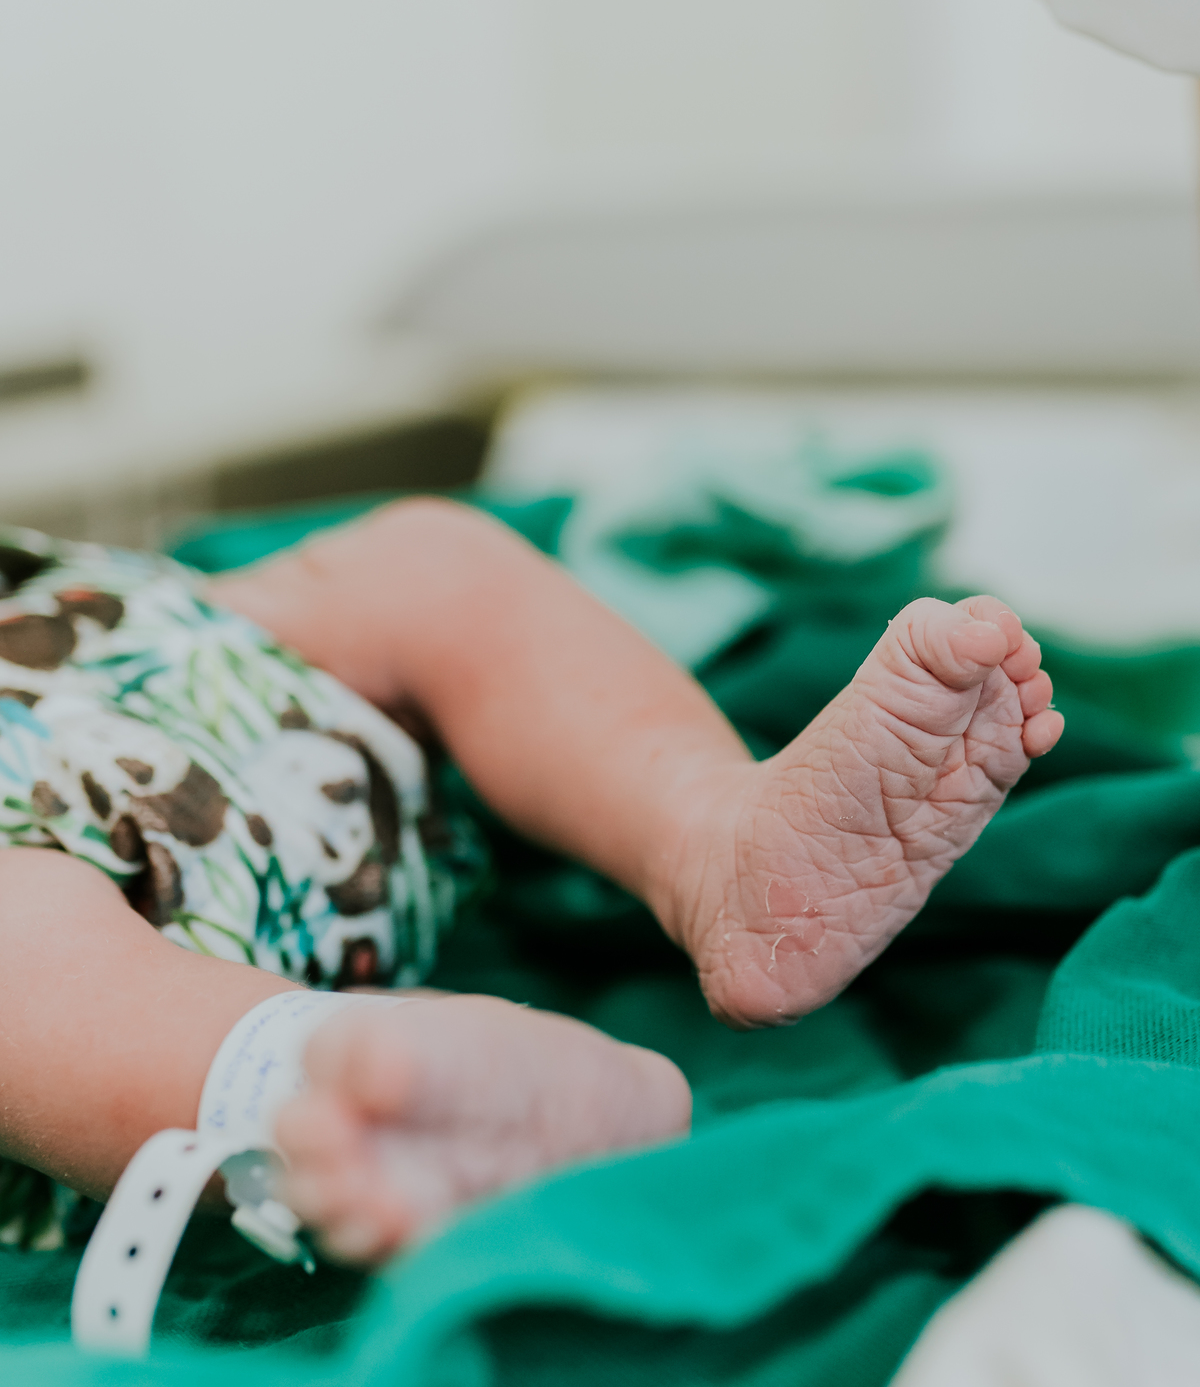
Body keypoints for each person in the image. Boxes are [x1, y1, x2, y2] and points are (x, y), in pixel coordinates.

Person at [0, 499, 1061, 1265]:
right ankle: (353, 1088)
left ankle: (717, 841)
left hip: (165, 670)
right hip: (79, 938)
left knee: (428, 560)